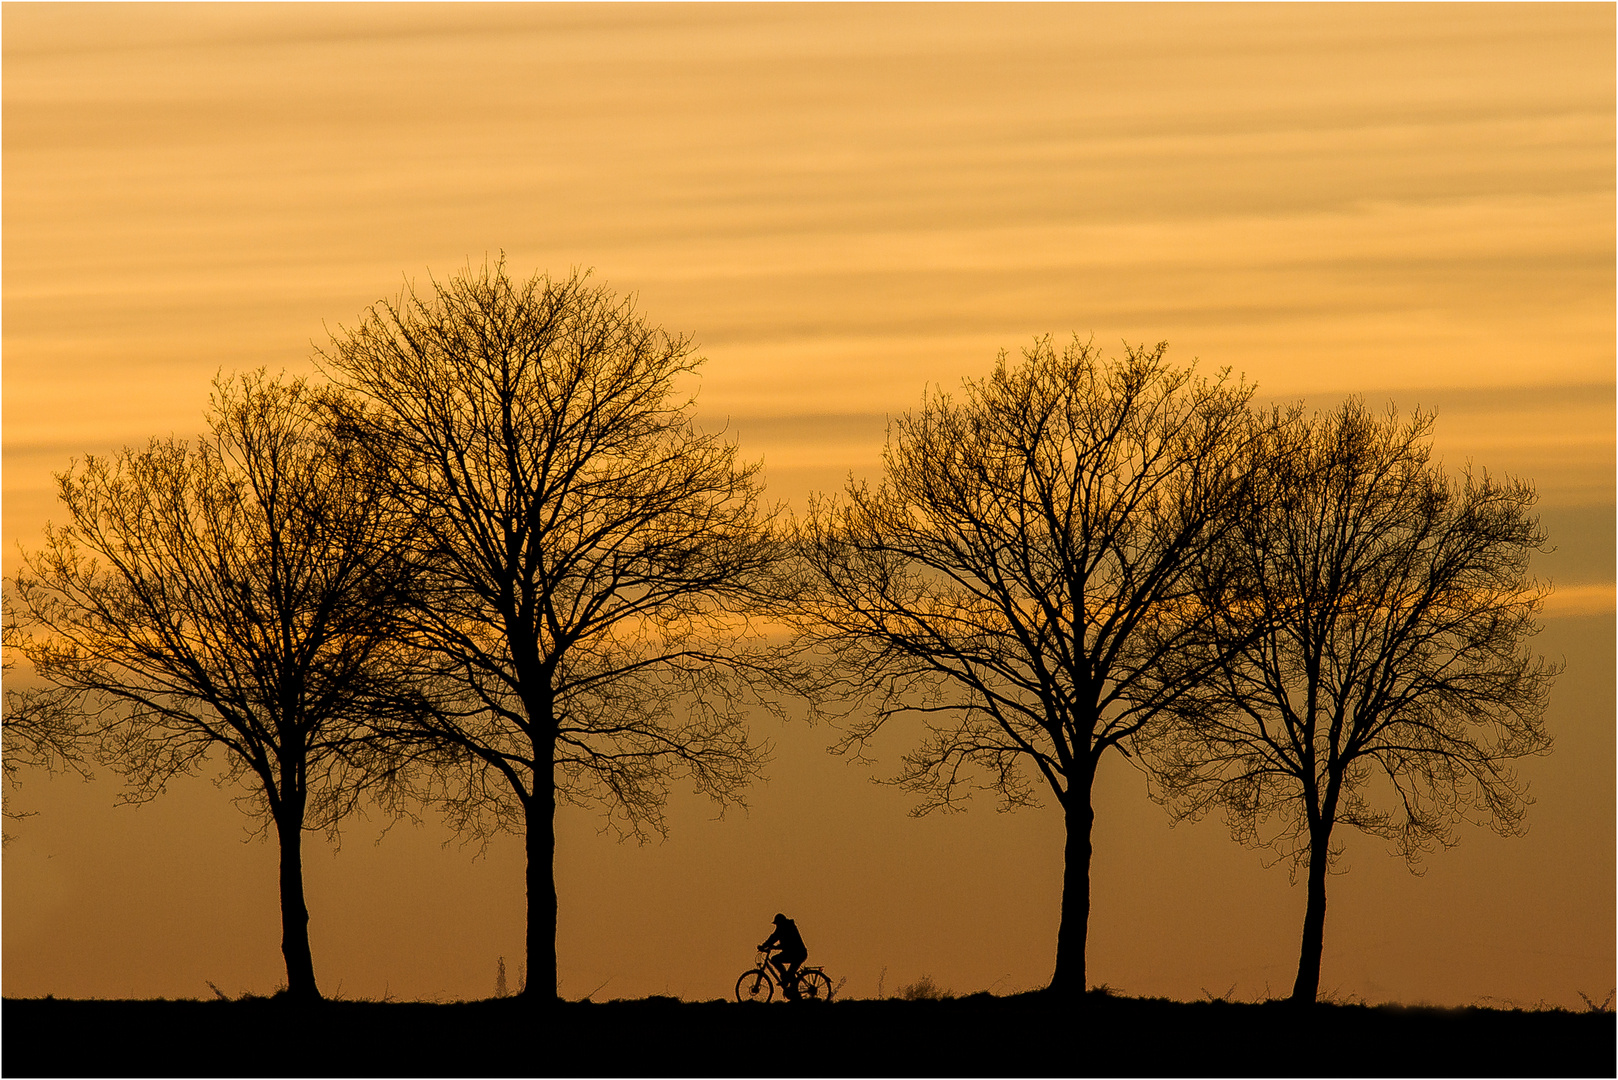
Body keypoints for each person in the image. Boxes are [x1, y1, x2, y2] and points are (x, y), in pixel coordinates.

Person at [759, 913, 808, 1000]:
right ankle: (792, 991)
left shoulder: (786, 928)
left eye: (777, 923)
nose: (777, 925)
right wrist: (767, 945)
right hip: (794, 953)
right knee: (789, 973)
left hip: (797, 954)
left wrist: (766, 946)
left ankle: (789, 984)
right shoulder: (786, 927)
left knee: (776, 960)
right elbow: (774, 938)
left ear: (780, 922)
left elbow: (780, 941)